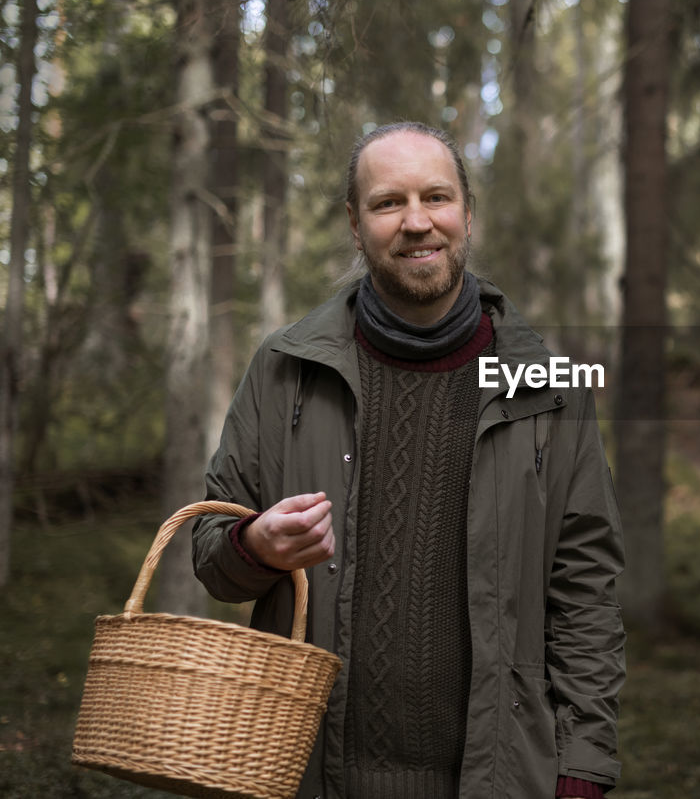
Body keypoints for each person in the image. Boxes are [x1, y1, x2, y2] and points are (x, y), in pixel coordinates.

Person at [191, 122, 625, 799]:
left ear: (467, 212)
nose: (417, 222)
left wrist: (583, 763)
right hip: (313, 774)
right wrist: (256, 544)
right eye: (389, 202)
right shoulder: (285, 370)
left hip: (496, 778)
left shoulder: (547, 383)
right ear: (355, 224)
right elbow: (210, 553)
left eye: (437, 197)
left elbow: (586, 592)